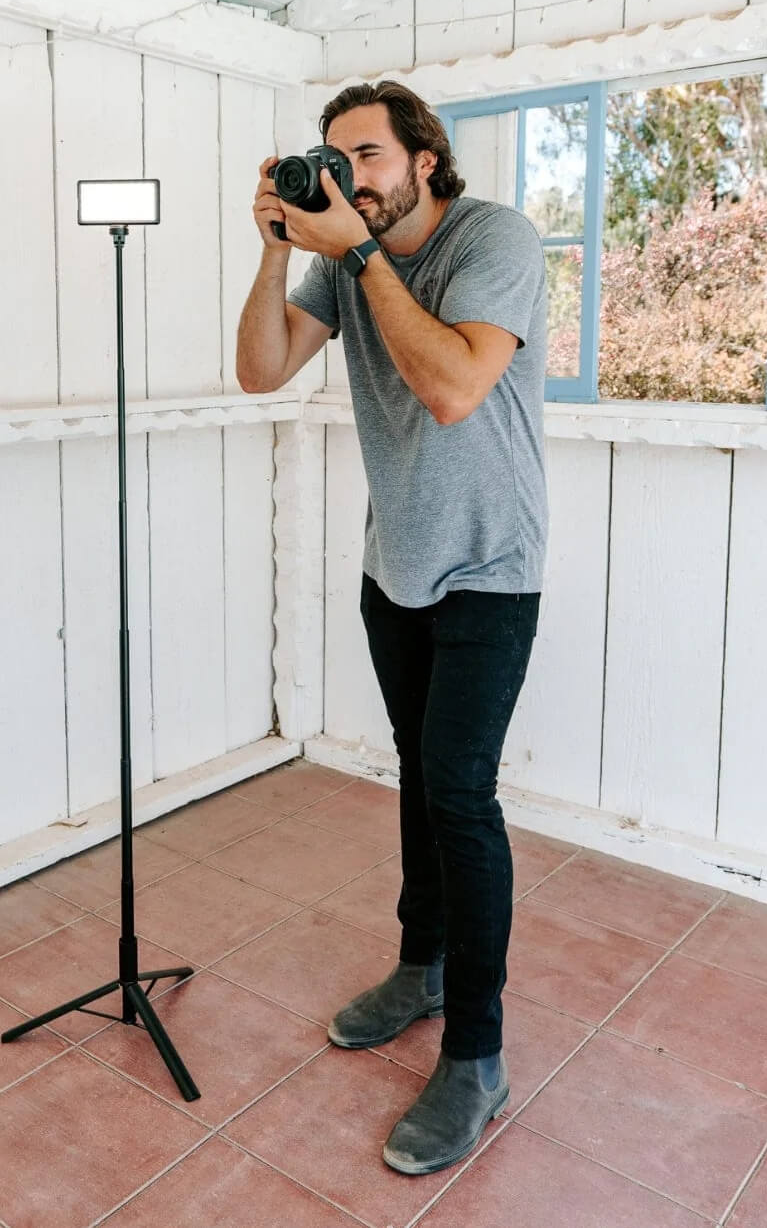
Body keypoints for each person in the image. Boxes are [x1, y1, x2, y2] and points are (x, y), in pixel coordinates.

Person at [236, 80, 547, 1176]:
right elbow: (261, 369)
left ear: (423, 158)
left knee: (460, 793)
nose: (346, 175)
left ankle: (476, 1052)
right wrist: (278, 246)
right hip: (396, 568)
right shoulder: (334, 256)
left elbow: (456, 386)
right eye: (330, 158)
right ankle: (420, 965)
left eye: (365, 154)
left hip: (491, 572)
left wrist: (357, 259)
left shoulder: (490, 238)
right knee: (418, 774)